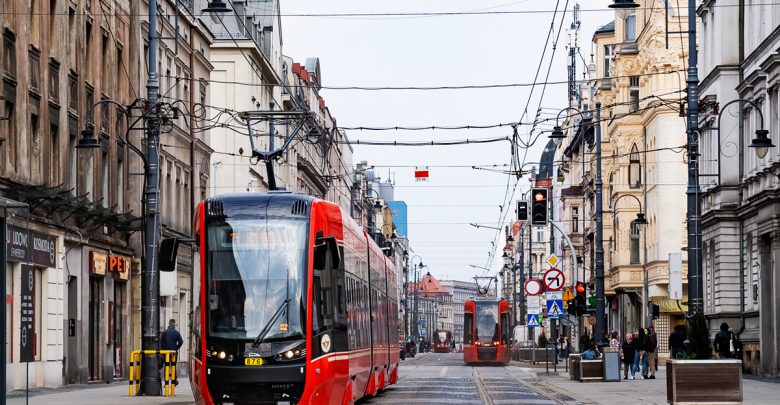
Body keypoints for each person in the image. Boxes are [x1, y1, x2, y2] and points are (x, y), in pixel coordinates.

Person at [160, 319, 183, 385]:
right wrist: (176, 348)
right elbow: (181, 342)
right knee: (173, 366)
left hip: (166, 353)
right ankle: (174, 381)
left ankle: (166, 382)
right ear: (174, 324)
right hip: (173, 352)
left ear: (169, 324)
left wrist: (162, 352)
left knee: (166, 366)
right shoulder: (176, 332)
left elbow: (161, 343)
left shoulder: (164, 332)